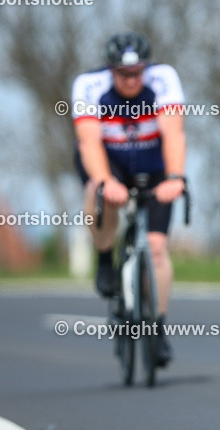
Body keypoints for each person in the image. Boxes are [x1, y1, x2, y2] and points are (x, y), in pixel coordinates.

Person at [71, 32, 187, 366]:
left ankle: (158, 328)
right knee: (99, 192)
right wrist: (106, 180)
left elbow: (174, 133)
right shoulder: (89, 86)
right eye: (123, 75)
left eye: (137, 73)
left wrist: (175, 177)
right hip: (109, 162)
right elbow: (88, 142)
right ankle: (105, 257)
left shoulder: (163, 79)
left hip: (153, 163)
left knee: (157, 247)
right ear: (110, 71)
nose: (131, 80)